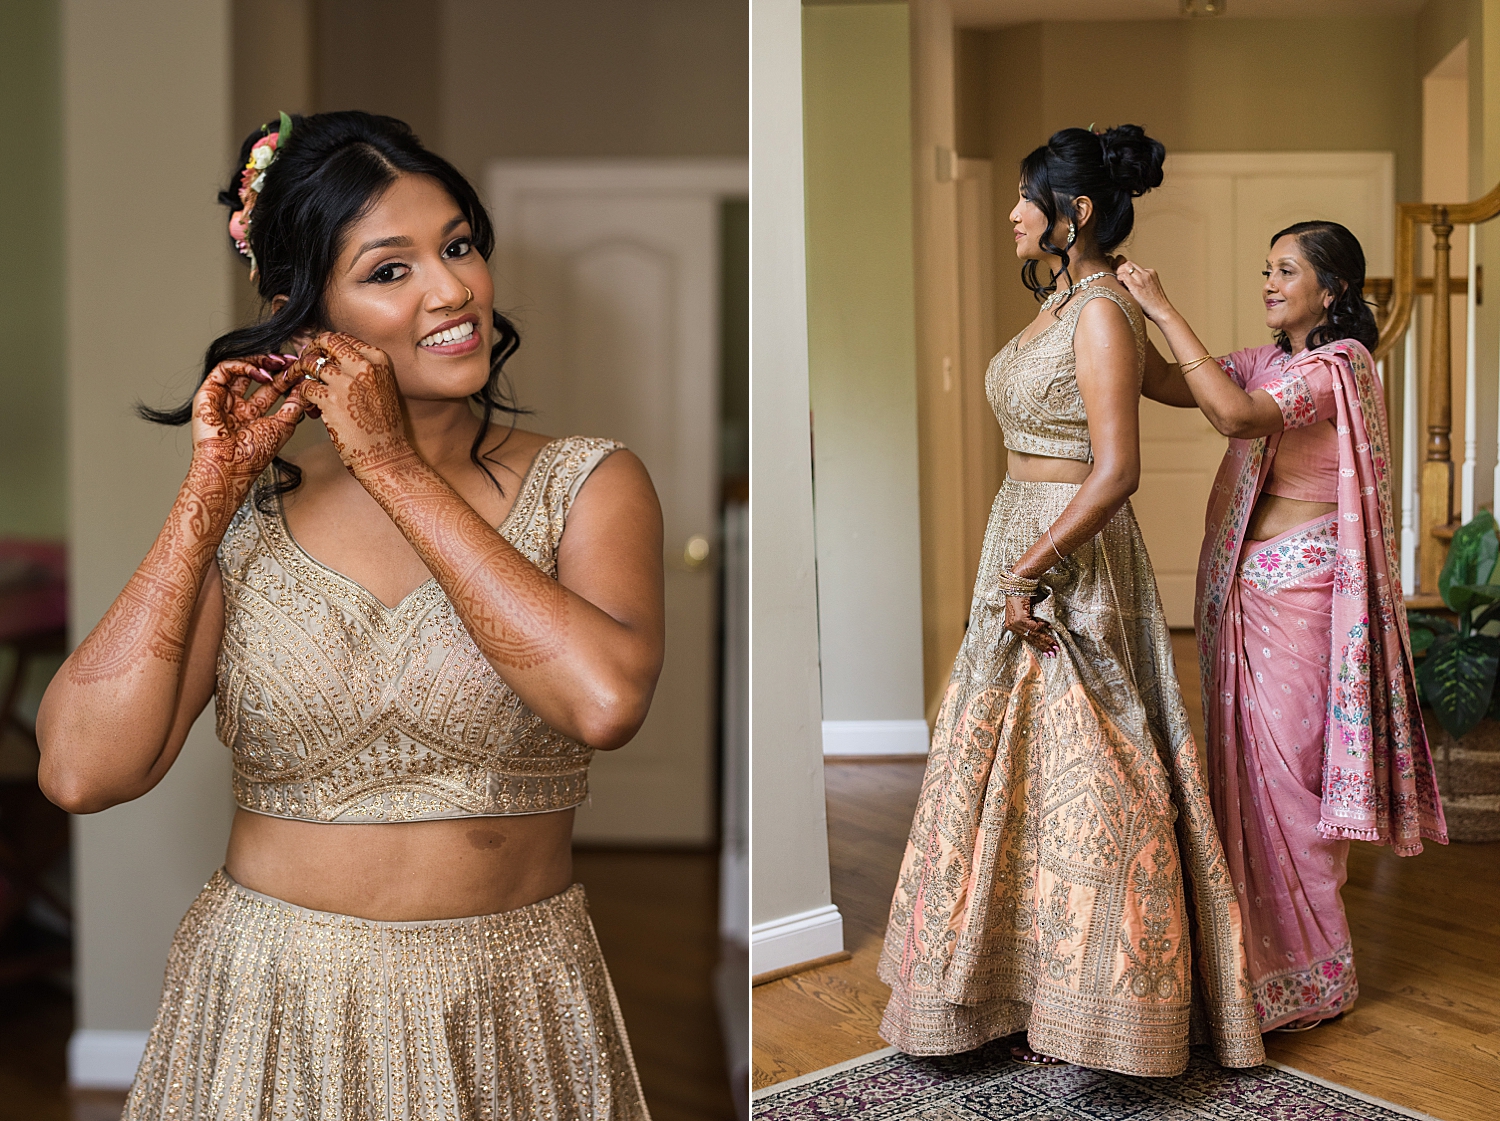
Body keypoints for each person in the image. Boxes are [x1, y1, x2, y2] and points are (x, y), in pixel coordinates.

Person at [36, 111, 663, 1119]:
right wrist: (206, 495)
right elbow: (80, 770)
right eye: (390, 268)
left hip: (501, 999)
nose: (453, 287)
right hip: (268, 1000)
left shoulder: (586, 482)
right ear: (303, 310)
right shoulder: (248, 521)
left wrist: (391, 464)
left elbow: (604, 701)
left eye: (458, 246)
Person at [878, 126, 1264, 1077]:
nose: (1012, 212)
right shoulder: (1065, 305)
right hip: (1018, 532)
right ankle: (1008, 989)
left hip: (1069, 554)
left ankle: (1117, 1009)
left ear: (1074, 213)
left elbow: (1118, 469)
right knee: (1011, 771)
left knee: (1100, 776)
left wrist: (1031, 570)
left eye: (1026, 196)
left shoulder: (1097, 313)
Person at [1115, 220, 1447, 1033]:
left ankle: (1314, 975)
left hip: (1305, 601)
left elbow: (1233, 416)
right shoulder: (1271, 360)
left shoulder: (1340, 368)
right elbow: (1168, 381)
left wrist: (1161, 304)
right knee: (1243, 788)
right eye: (1266, 268)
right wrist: (1107, 304)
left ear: (1329, 289)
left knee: (1292, 788)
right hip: (1244, 598)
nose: (1269, 281)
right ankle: (1248, 973)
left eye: (1286, 269)